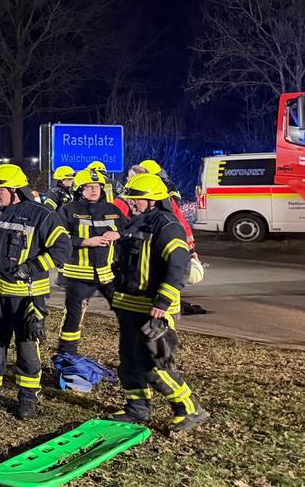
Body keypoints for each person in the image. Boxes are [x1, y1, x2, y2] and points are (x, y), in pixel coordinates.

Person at [0, 163, 70, 419]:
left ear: (15, 189)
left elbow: (62, 250)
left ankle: (27, 400)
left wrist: (31, 267)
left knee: (27, 350)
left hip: (26, 298)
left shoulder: (42, 215)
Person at [111, 173, 209, 432]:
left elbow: (178, 265)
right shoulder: (136, 223)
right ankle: (137, 408)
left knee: (154, 364)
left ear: (153, 200)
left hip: (154, 308)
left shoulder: (168, 225)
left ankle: (189, 408)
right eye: (132, 199)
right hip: (131, 304)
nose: (132, 203)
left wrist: (163, 302)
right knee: (129, 360)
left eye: (138, 199)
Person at [56, 168, 122, 354]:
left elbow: (129, 231)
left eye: (97, 187)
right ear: (79, 189)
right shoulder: (68, 210)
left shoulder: (112, 210)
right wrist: (84, 242)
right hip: (78, 275)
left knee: (124, 311)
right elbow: (58, 239)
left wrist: (119, 233)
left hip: (107, 273)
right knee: (73, 316)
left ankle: (133, 349)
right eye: (89, 187)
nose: (94, 190)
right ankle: (67, 354)